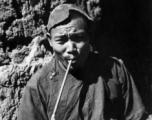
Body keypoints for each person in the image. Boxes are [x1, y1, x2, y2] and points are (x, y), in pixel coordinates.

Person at [17, 4, 148, 120]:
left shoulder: (114, 69)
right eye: (61, 40)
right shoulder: (38, 86)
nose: (71, 49)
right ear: (50, 41)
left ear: (89, 36)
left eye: (78, 38)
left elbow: (136, 116)